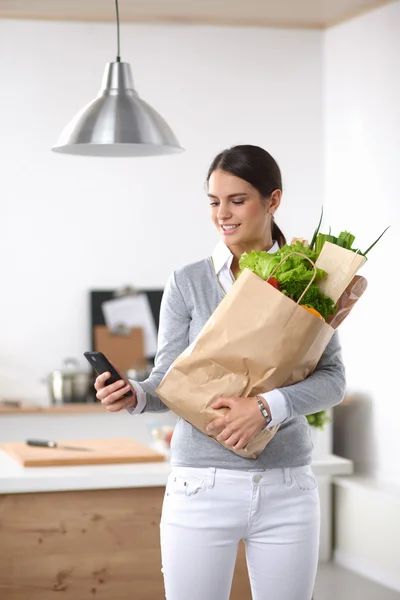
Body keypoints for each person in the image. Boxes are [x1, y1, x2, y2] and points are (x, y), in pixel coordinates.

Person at [94, 145, 346, 600]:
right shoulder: (188, 281)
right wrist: (134, 395)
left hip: (287, 485)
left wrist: (268, 407)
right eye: (213, 202)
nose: (222, 214)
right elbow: (166, 381)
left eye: (237, 200)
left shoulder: (313, 278)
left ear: (274, 200)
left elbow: (333, 379)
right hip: (200, 487)